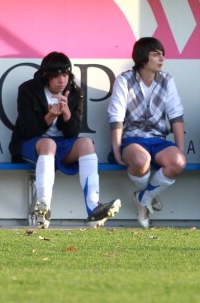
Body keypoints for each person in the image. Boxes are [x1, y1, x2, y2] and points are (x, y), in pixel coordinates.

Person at [10, 52, 121, 229]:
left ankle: (94, 207)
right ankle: (43, 207)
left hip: (60, 145)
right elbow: (28, 130)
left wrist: (67, 112)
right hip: (31, 144)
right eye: (56, 76)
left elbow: (73, 133)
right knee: (49, 144)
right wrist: (50, 116)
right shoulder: (28, 89)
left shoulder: (75, 92)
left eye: (65, 74)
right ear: (46, 76)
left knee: (86, 143)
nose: (61, 80)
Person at [107, 37, 186, 229]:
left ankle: (144, 197)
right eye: (156, 54)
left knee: (178, 162)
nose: (162, 58)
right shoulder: (124, 80)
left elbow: (176, 116)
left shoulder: (167, 80)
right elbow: (116, 116)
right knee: (141, 160)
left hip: (158, 140)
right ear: (143, 57)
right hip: (132, 140)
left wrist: (180, 150)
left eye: (162, 54)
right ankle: (149, 195)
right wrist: (117, 151)